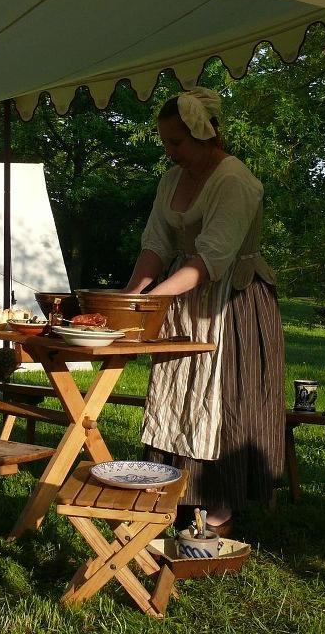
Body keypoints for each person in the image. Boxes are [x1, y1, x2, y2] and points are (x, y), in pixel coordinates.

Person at [123, 86, 285, 535]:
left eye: (177, 142)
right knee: (176, 392)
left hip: (232, 304)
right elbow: (156, 245)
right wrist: (131, 298)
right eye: (166, 142)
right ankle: (174, 492)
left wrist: (155, 300)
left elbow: (211, 259)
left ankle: (218, 510)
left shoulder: (234, 180)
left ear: (203, 134)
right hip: (183, 298)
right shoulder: (171, 180)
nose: (170, 152)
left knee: (220, 399)